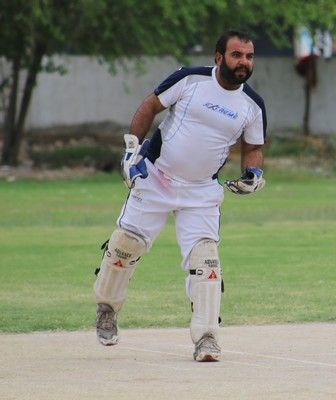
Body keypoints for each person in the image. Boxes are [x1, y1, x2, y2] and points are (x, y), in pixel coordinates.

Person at [93, 30, 266, 362]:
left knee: (207, 261)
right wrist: (131, 151)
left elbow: (254, 146)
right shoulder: (190, 80)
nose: (244, 62)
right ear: (219, 57)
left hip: (201, 191)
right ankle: (107, 308)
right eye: (236, 55)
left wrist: (253, 173)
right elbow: (150, 106)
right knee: (126, 245)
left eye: (249, 56)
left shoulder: (253, 105)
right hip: (155, 177)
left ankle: (207, 338)